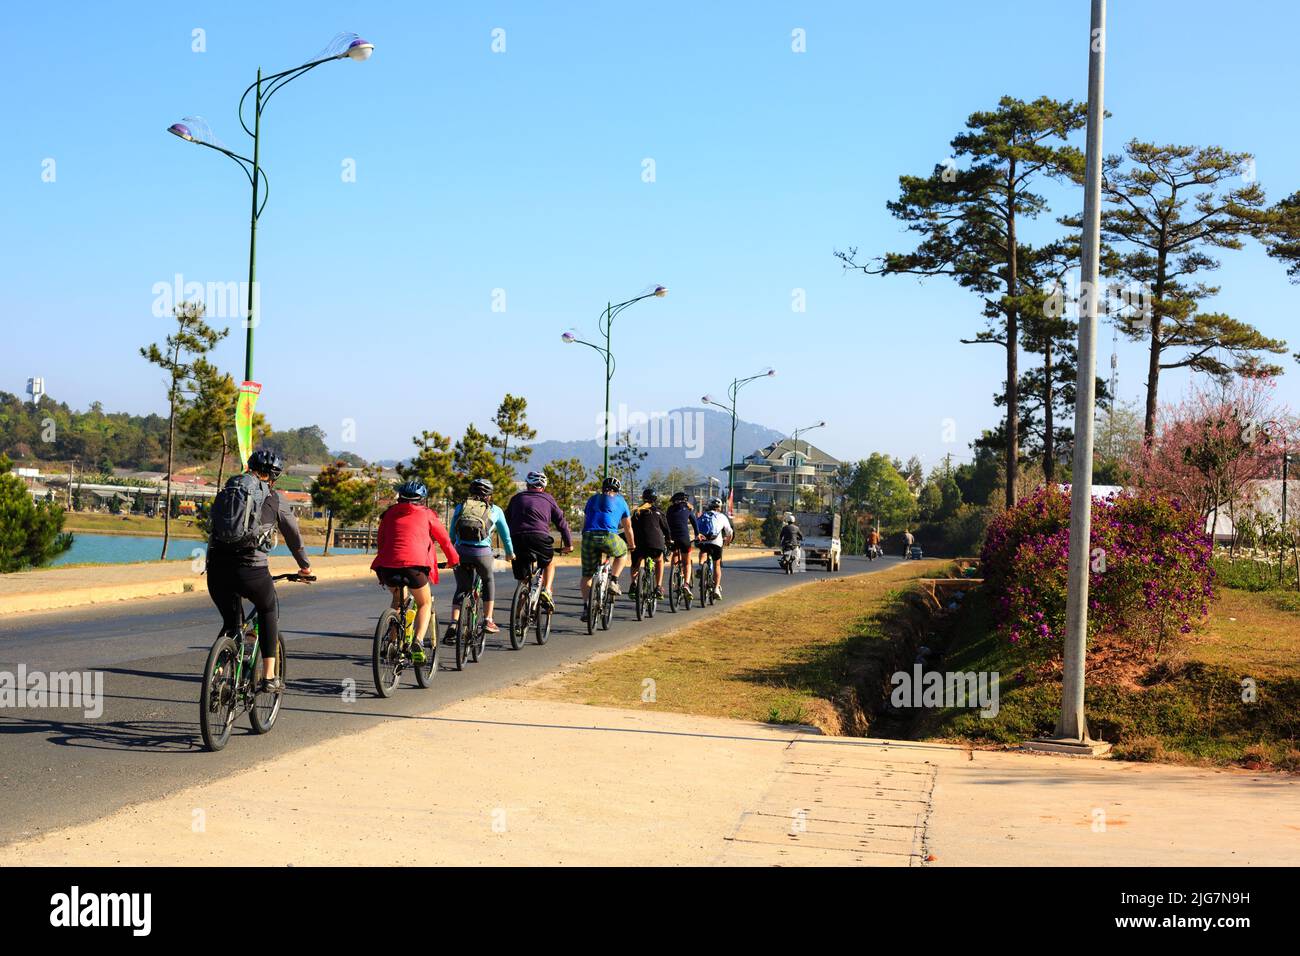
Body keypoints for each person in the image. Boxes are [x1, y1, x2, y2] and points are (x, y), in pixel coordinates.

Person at [205, 448, 311, 692]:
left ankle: (217, 678)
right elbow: (293, 536)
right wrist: (304, 565)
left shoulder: (230, 492)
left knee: (232, 623)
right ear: (274, 476)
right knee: (268, 608)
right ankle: (270, 677)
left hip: (218, 569)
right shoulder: (275, 498)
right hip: (251, 571)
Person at [371, 480, 459, 663]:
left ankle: (392, 644)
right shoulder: (427, 514)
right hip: (415, 567)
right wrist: (454, 560)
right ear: (422, 499)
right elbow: (444, 541)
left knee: (397, 600)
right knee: (424, 603)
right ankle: (418, 641)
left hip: (388, 567)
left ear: (400, 498)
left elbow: (381, 541)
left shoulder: (388, 515)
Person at [446, 477, 514, 639]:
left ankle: (454, 623)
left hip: (461, 552)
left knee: (462, 588)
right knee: (488, 580)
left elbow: (452, 535)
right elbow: (506, 536)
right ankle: (488, 620)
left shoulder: (461, 507)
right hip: (482, 553)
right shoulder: (495, 510)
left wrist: (455, 548)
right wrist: (510, 553)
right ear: (489, 495)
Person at [504, 470, 573, 610]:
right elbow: (562, 523)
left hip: (517, 539)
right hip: (540, 538)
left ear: (527, 485)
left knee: (522, 581)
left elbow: (505, 521)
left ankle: (518, 619)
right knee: (549, 563)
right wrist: (569, 544)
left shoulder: (516, 498)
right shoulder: (548, 499)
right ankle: (547, 590)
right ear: (543, 486)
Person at [579, 475, 634, 621]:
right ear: (618, 490)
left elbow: (585, 521)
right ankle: (614, 581)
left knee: (587, 575)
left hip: (589, 536)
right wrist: (632, 545)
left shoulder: (592, 499)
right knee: (622, 553)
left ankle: (586, 607)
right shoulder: (621, 501)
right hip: (608, 536)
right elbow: (628, 527)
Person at [630, 487, 672, 599]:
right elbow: (666, 529)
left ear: (643, 499)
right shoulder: (659, 511)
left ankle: (633, 585)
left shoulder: (637, 511)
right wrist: (668, 540)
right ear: (655, 499)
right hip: (656, 544)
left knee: (636, 563)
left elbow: (631, 528)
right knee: (659, 560)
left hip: (639, 544)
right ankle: (658, 586)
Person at [695, 496, 734, 599]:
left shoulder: (704, 515)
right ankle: (716, 588)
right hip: (716, 542)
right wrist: (727, 542)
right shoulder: (722, 517)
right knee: (717, 565)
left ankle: (700, 567)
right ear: (720, 507)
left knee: (703, 551)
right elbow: (729, 532)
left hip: (703, 540)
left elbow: (696, 527)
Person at [665, 490, 699, 584]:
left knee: (675, 553)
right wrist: (697, 534)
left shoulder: (670, 509)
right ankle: (686, 585)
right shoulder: (688, 509)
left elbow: (666, 523)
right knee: (687, 562)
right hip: (684, 538)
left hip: (671, 538)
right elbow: (694, 522)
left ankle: (674, 574)